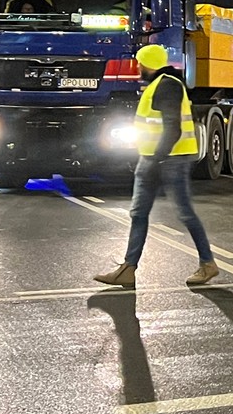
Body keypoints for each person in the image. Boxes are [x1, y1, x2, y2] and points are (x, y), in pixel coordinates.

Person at [92, 44, 219, 289]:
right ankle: (128, 269)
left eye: (140, 63)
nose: (138, 67)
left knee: (184, 212)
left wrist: (157, 158)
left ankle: (208, 264)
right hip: (152, 158)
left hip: (169, 159)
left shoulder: (167, 85)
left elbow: (173, 127)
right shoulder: (158, 85)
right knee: (138, 213)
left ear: (150, 62)